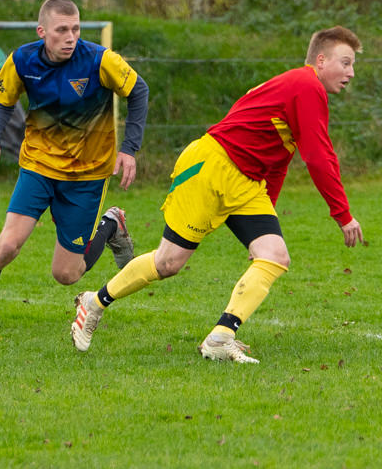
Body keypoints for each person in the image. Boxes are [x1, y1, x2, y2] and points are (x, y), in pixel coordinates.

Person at [70, 26, 364, 363]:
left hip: (245, 181)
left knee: (273, 254)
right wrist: (342, 215)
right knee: (168, 262)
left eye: (353, 65)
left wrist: (265, 222)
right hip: (210, 166)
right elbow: (318, 156)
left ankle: (221, 337)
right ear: (321, 60)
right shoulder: (307, 85)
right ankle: (93, 302)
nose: (351, 73)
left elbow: (280, 161)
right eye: (346, 63)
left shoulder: (299, 88)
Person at [0, 0, 149, 333]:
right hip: (38, 167)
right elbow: (3, 102)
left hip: (86, 176)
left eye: (75, 29)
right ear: (42, 31)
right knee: (6, 245)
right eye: (62, 30)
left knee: (66, 275)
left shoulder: (99, 60)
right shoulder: (23, 59)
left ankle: (110, 225)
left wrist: (130, 148)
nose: (70, 37)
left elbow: (139, 91)